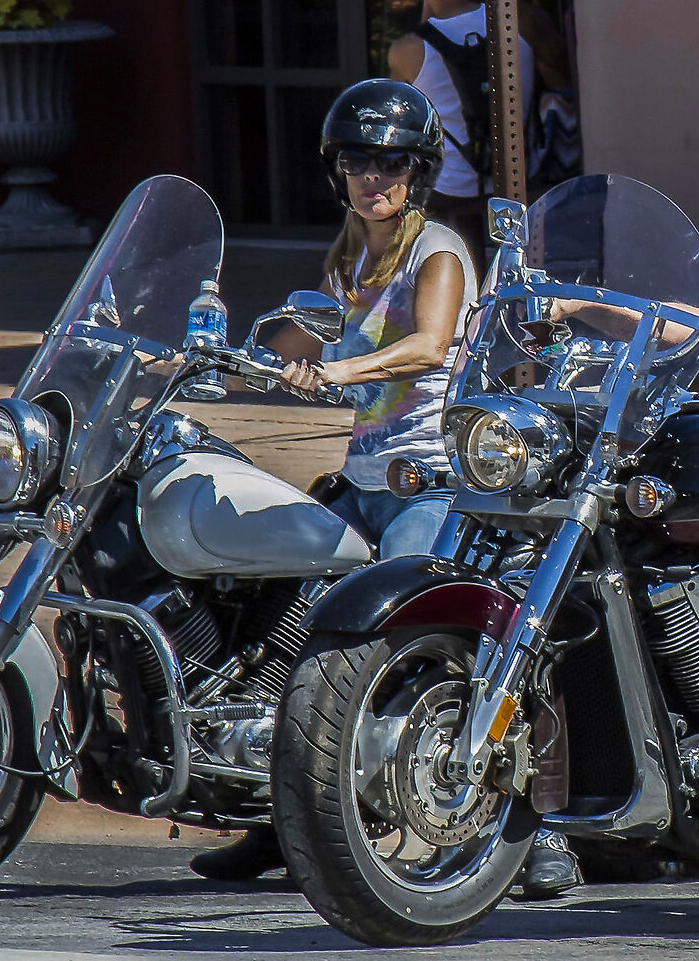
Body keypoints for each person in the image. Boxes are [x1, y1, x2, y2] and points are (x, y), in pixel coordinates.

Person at [190, 78, 476, 882]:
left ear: (418, 171)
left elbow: (429, 345)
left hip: (429, 483)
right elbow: (289, 339)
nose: (372, 179)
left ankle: (478, 813)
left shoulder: (438, 250)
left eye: (390, 164)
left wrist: (340, 368)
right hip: (361, 478)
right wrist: (198, 358)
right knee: (280, 629)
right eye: (357, 162)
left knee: (391, 639)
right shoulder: (351, 254)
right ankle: (280, 815)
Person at [387, 0, 573, 260]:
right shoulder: (522, 22)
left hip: (451, 189)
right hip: (522, 174)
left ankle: (463, 279)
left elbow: (403, 115)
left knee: (424, 181)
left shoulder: (407, 51)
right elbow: (564, 73)